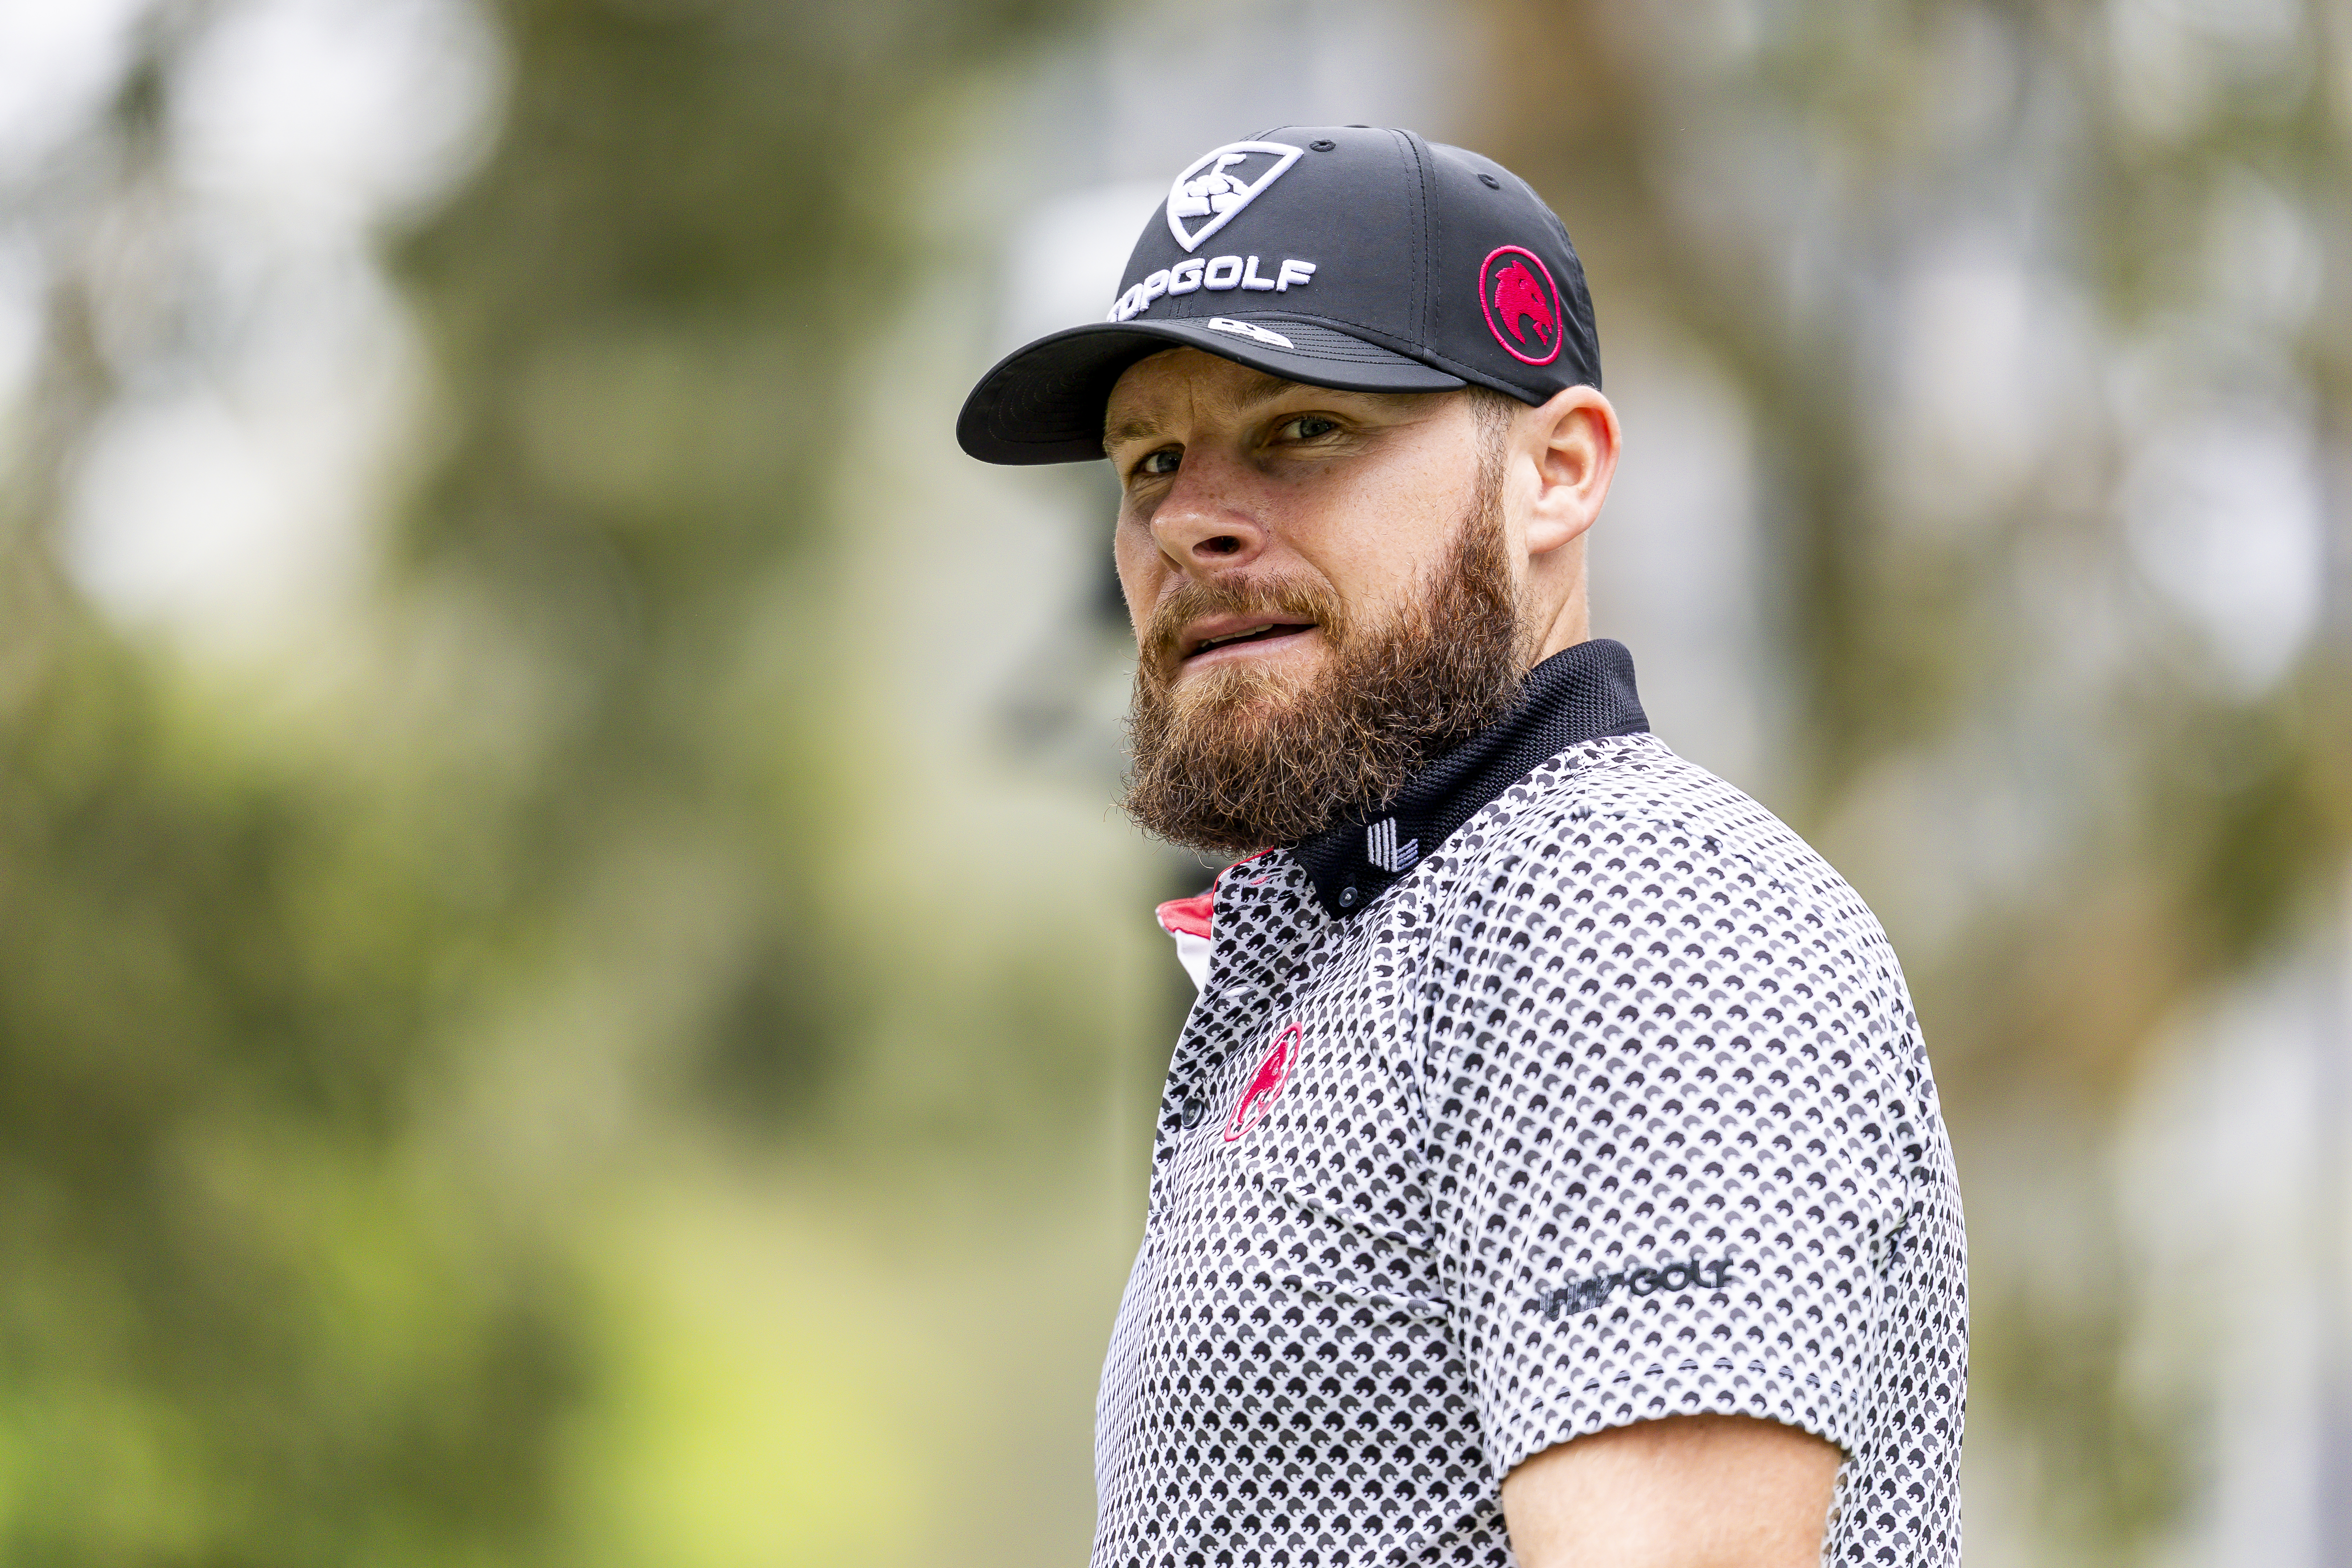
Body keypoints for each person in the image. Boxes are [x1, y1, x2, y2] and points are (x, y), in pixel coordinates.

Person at [958, 127, 1965, 1568]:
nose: (1187, 524)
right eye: (1151, 461)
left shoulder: (1637, 913)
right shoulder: (1378, 930)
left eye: (1303, 430)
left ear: (1558, 471)